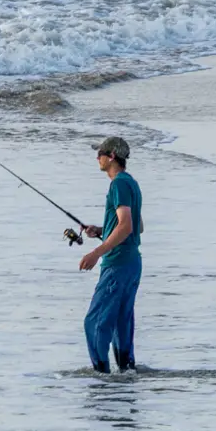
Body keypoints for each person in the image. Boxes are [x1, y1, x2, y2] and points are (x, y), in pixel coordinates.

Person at [79, 136, 143, 374]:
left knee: (94, 323)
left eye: (100, 154)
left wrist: (97, 252)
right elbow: (138, 227)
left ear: (112, 156)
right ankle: (126, 374)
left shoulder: (118, 184)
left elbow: (126, 227)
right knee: (120, 323)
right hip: (132, 263)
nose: (97, 157)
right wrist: (102, 231)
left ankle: (101, 378)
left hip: (117, 264)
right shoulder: (131, 184)